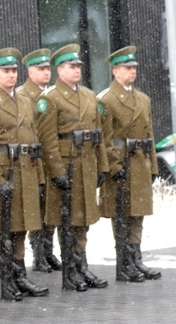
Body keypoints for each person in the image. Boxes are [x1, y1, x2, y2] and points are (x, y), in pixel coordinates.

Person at [0, 48, 49, 301]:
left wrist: (39, 176)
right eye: (5, 71)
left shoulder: (25, 100)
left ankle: (20, 275)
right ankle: (7, 279)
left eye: (14, 71)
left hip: (26, 169)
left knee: (21, 227)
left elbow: (34, 140)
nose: (11, 75)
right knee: (2, 231)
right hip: (4, 172)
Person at [37, 44, 110, 290]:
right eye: (71, 66)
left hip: (87, 164)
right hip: (67, 166)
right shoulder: (49, 99)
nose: (77, 70)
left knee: (84, 219)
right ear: (60, 69)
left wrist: (102, 165)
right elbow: (47, 140)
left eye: (78, 66)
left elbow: (97, 133)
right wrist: (56, 172)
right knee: (67, 221)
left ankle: (82, 265)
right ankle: (70, 272)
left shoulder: (89, 95)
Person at [98, 46, 161, 281]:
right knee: (121, 214)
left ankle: (136, 258)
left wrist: (152, 166)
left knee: (138, 214)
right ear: (115, 71)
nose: (132, 72)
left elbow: (150, 135)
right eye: (127, 68)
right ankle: (124, 262)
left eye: (134, 68)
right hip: (121, 165)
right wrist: (114, 166)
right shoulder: (106, 100)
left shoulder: (143, 99)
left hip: (140, 163)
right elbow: (105, 139)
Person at [17, 48, 62, 273]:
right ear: (29, 72)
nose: (46, 73)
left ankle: (48, 251)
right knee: (34, 209)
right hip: (32, 161)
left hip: (50, 159)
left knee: (50, 209)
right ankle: (37, 255)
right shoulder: (22, 96)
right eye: (40, 69)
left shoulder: (51, 94)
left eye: (47, 69)